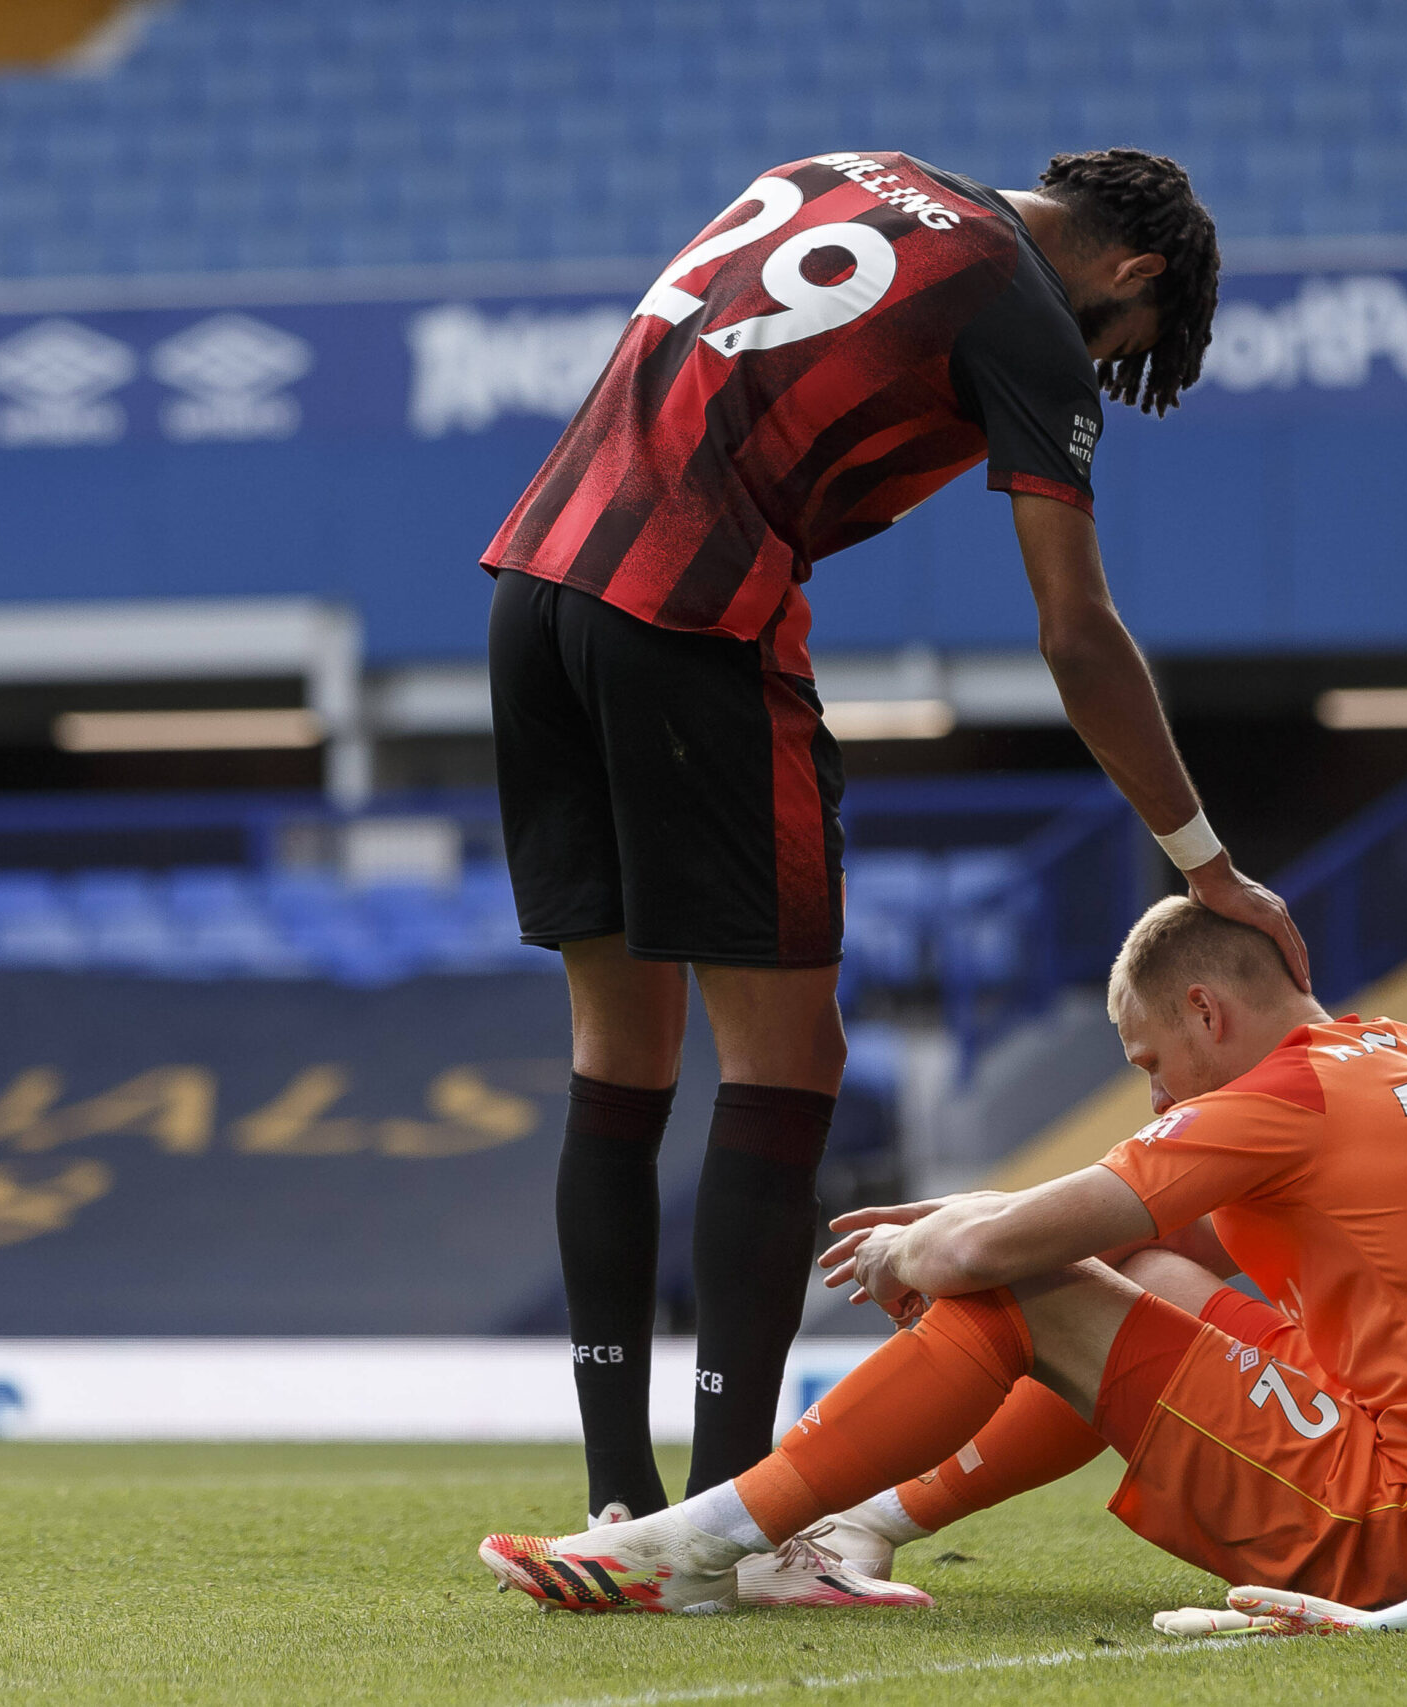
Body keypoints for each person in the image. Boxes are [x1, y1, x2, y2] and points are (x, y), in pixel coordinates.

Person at [481, 147, 1311, 1604]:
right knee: (792, 1056)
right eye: (1126, 354)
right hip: (692, 613)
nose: (1102, 369)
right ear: (1138, 277)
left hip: (536, 588)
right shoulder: (1030, 310)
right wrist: (1208, 860)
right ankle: (732, 1539)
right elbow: (1075, 630)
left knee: (620, 1052)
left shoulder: (841, 170)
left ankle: (621, 1501)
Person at [478, 898, 1407, 1616]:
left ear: (1207, 1012)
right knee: (1140, 1283)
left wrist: (941, 1243)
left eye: (1152, 1062)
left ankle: (701, 1543)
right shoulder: (1403, 1052)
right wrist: (971, 1226)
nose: (1156, 1098)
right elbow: (1143, 1239)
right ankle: (854, 1530)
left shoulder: (1281, 1097)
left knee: (1025, 1289)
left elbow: (992, 1251)